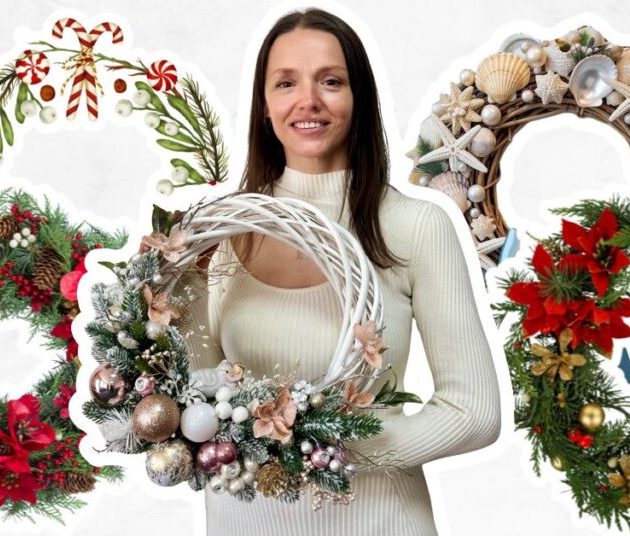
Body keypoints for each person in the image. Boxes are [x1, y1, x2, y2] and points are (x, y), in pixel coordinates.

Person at [186, 8, 501, 536]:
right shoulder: (217, 234)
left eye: (331, 81)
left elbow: (475, 410)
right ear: (264, 106)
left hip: (382, 523)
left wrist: (334, 452)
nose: (307, 101)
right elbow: (191, 400)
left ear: (359, 100)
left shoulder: (412, 226)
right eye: (286, 83)